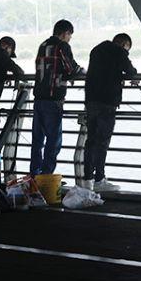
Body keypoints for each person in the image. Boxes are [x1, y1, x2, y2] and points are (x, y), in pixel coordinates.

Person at [82, 33, 137, 192]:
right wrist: (132, 75)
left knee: (91, 140)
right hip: (107, 102)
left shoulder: (97, 50)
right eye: (128, 49)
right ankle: (99, 179)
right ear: (124, 44)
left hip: (91, 100)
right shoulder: (119, 52)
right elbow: (130, 70)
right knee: (103, 141)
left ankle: (87, 179)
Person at [31, 19, 84, 175]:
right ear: (65, 33)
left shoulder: (43, 45)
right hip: (53, 98)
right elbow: (71, 68)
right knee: (54, 141)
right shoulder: (62, 46)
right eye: (69, 36)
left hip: (39, 97)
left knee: (38, 140)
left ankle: (35, 174)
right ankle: (46, 176)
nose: (69, 39)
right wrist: (82, 71)